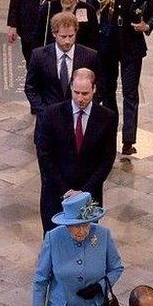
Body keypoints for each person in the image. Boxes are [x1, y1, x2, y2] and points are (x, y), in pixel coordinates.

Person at [87, 0, 153, 156]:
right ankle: (110, 134)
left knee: (130, 94)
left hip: (131, 47)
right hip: (106, 46)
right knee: (107, 92)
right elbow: (90, 13)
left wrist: (146, 26)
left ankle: (128, 140)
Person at [34, 68, 118, 233]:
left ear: (94, 89)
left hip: (89, 195)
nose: (80, 98)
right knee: (56, 244)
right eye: (76, 92)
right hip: (56, 193)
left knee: (86, 244)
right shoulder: (51, 115)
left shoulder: (107, 118)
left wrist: (83, 191)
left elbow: (107, 160)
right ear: (71, 88)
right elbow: (45, 156)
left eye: (85, 93)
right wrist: (65, 189)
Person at [24, 11, 101, 116]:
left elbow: (99, 87)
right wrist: (43, 111)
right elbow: (31, 87)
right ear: (54, 34)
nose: (67, 41)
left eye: (71, 36)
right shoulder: (39, 56)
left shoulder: (90, 56)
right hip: (48, 117)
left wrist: (85, 109)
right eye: (63, 37)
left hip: (79, 117)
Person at [34, 0, 99, 51]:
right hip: (52, 55)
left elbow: (94, 40)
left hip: (81, 56)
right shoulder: (48, 9)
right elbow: (38, 37)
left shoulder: (88, 10)